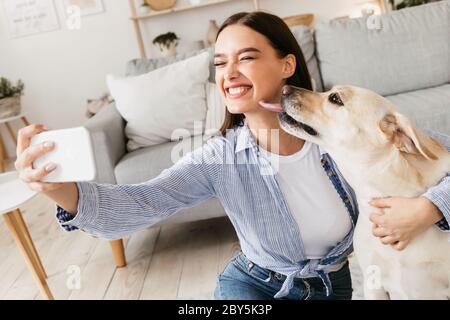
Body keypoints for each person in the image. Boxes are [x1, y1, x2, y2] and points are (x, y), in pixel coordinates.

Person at [15, 12, 450, 300]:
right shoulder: (218, 158)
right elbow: (140, 204)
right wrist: (60, 190)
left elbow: (435, 157)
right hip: (253, 289)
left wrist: (429, 207)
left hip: (334, 285)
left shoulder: (343, 131)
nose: (229, 74)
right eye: (220, 63)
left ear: (286, 65)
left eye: (246, 57)